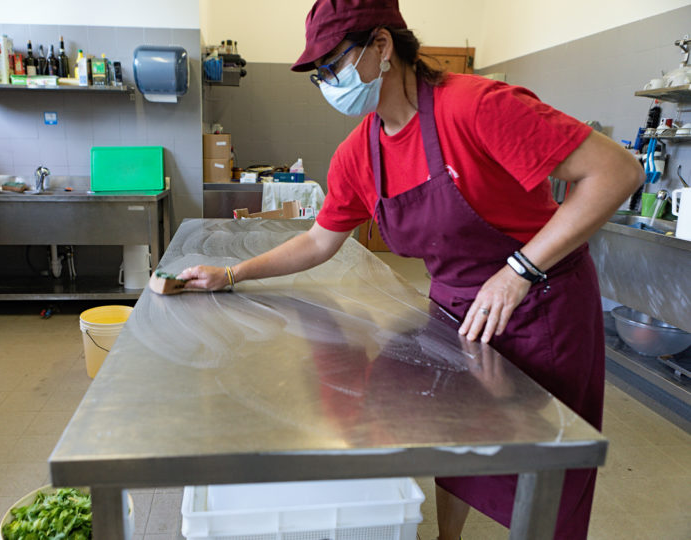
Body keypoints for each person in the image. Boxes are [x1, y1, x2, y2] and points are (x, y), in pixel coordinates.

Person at [177, 1, 644, 538]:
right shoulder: (358, 154)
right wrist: (232, 275)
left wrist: (518, 271)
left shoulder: (475, 107)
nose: (328, 83)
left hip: (542, 304)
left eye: (334, 64)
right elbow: (318, 242)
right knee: (457, 435)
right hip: (456, 311)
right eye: (319, 74)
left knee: (544, 457)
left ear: (382, 45)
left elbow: (616, 171)